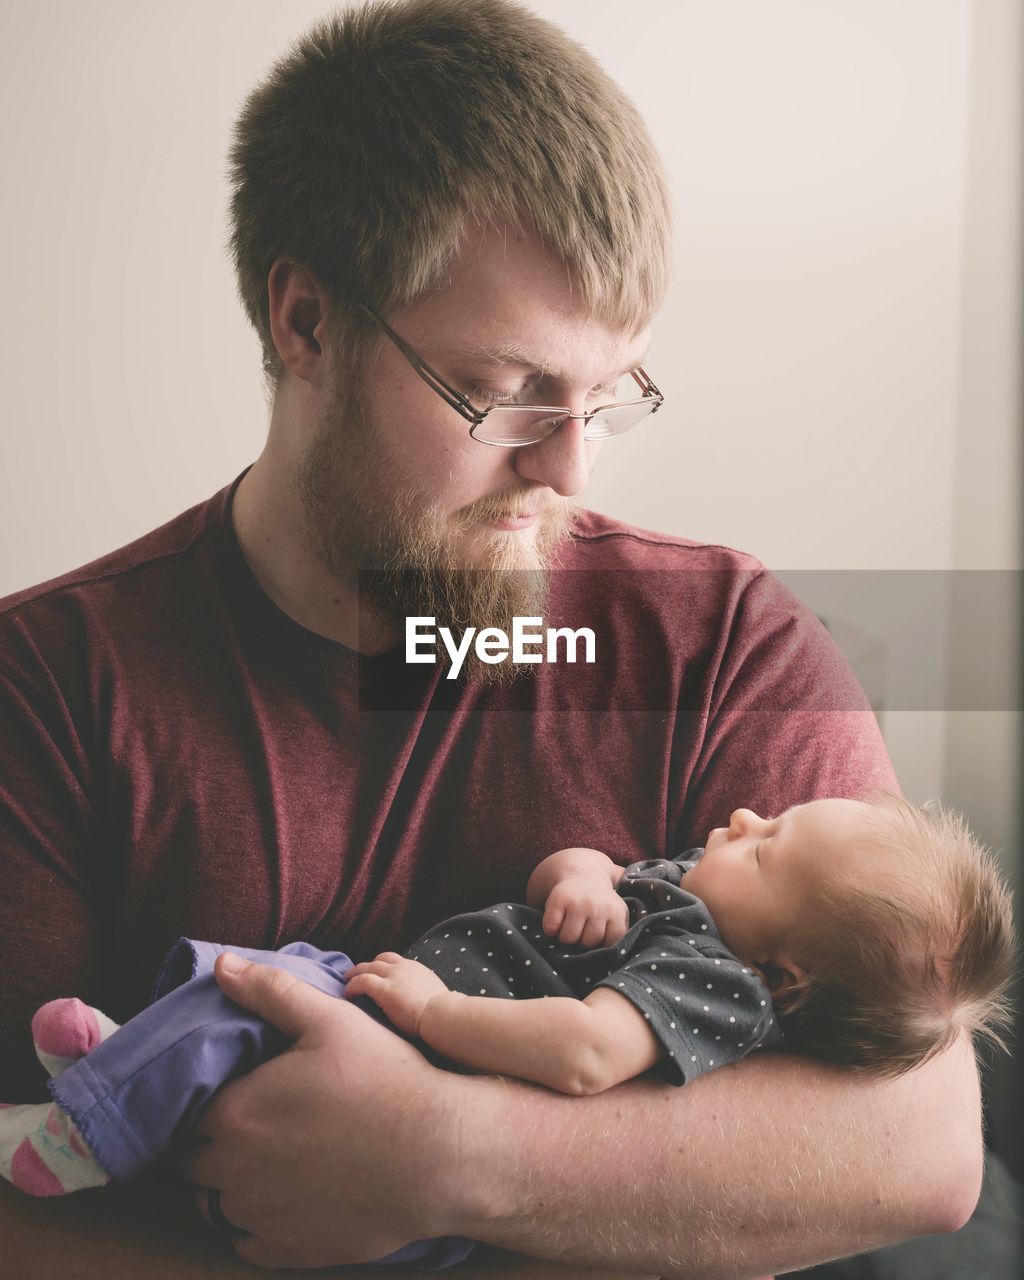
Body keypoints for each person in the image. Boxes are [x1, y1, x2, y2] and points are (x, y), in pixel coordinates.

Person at [0, 1, 988, 1277]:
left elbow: (922, 1141)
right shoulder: (49, 690)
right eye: (510, 390)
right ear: (304, 322)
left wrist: (446, 1152)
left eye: (606, 393)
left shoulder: (721, 640)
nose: (567, 463)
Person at [2, 797, 1012, 1256]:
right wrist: (577, 871)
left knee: (262, 1001)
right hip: (390, 1014)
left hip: (422, 1047)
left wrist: (437, 1014)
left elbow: (583, 1052)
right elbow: (577, 867)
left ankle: (77, 1134)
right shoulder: (688, 896)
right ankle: (122, 1058)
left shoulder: (716, 982)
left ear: (785, 976)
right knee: (262, 975)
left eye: (769, 847)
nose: (744, 821)